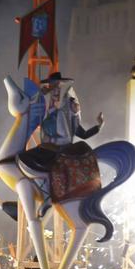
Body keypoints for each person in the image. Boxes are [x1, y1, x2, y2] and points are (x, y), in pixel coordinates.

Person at [15, 72, 104, 214]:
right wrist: (44, 92)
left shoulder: (72, 120)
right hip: (46, 148)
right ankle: (37, 191)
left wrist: (99, 126)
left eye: (76, 103)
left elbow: (84, 134)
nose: (75, 105)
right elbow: (46, 104)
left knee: (35, 162)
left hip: (60, 150)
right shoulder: (54, 112)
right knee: (23, 160)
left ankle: (48, 196)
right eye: (72, 103)